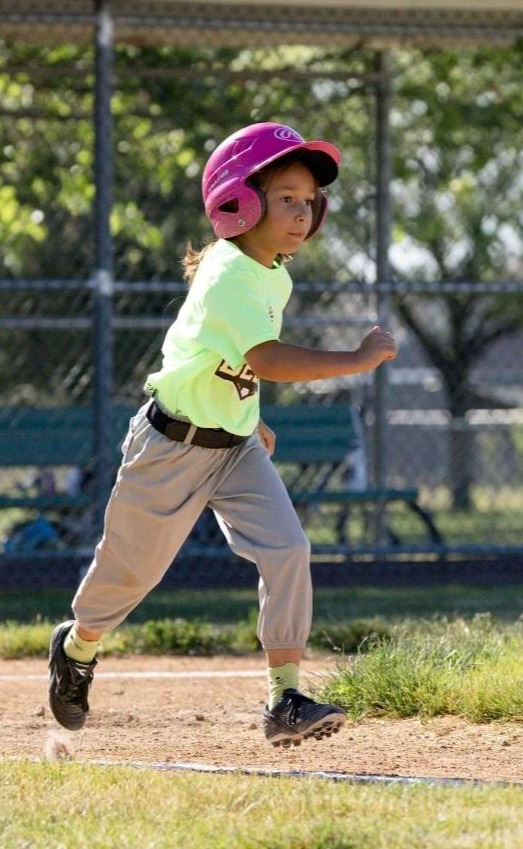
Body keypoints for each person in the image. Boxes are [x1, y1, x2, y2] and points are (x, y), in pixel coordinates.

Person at [48, 122, 398, 748]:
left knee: (287, 549)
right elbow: (264, 357)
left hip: (233, 447)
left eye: (308, 200)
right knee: (130, 575)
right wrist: (355, 357)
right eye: (285, 196)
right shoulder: (230, 271)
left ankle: (283, 698)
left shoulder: (272, 274)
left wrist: (249, 415)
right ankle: (76, 649)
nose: (302, 210)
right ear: (241, 201)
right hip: (170, 446)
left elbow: (230, 359)